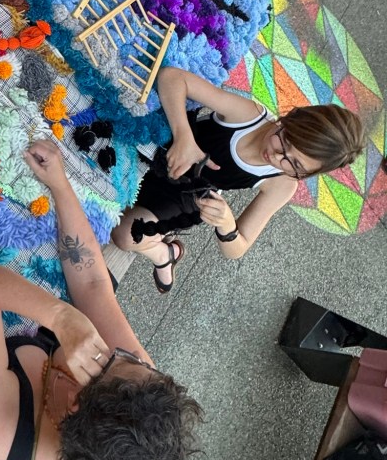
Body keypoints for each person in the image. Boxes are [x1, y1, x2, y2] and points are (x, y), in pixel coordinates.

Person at [0, 140, 203, 460]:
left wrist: (61, 317)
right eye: (142, 364)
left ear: (75, 399)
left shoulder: (2, 436)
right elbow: (93, 286)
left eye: (112, 360)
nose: (131, 354)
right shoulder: (135, 385)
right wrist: (60, 185)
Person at [112, 67, 366, 293]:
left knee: (125, 236)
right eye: (286, 139)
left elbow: (238, 248)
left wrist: (226, 224)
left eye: (295, 165)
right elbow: (172, 77)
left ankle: (164, 254)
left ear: (306, 174)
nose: (278, 156)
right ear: (290, 118)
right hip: (163, 151)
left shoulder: (282, 184)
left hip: (184, 196)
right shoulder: (249, 116)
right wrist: (184, 137)